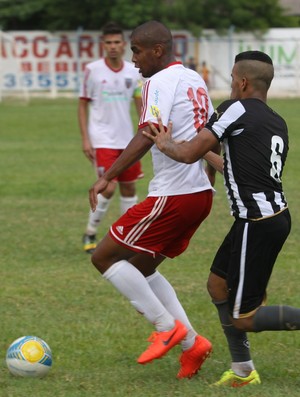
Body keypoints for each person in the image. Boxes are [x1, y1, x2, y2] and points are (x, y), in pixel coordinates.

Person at [143, 50, 300, 387]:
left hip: (256, 223)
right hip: (270, 218)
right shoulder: (276, 120)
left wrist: (165, 142)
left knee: (245, 317)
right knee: (217, 284)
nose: (229, 87)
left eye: (231, 80)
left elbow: (187, 155)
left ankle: (245, 367)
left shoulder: (235, 109)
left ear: (242, 82)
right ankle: (243, 370)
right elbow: (236, 168)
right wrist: (200, 150)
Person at [88, 20, 218, 379]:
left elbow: (147, 135)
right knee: (142, 267)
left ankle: (166, 327)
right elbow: (210, 135)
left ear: (157, 50)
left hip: (174, 194)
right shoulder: (194, 79)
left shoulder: (157, 82)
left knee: (104, 257)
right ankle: (193, 345)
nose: (133, 60)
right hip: (200, 195)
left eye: (137, 50)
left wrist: (107, 176)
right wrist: (212, 178)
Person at [78, 21, 144, 254]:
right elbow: (82, 104)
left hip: (128, 139)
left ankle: (127, 238)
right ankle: (90, 232)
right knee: (107, 188)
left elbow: (139, 102)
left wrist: (144, 131)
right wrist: (86, 139)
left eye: (117, 42)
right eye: (109, 43)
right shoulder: (92, 70)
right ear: (103, 45)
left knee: (129, 188)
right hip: (102, 138)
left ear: (124, 44)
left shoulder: (132, 70)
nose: (113, 46)